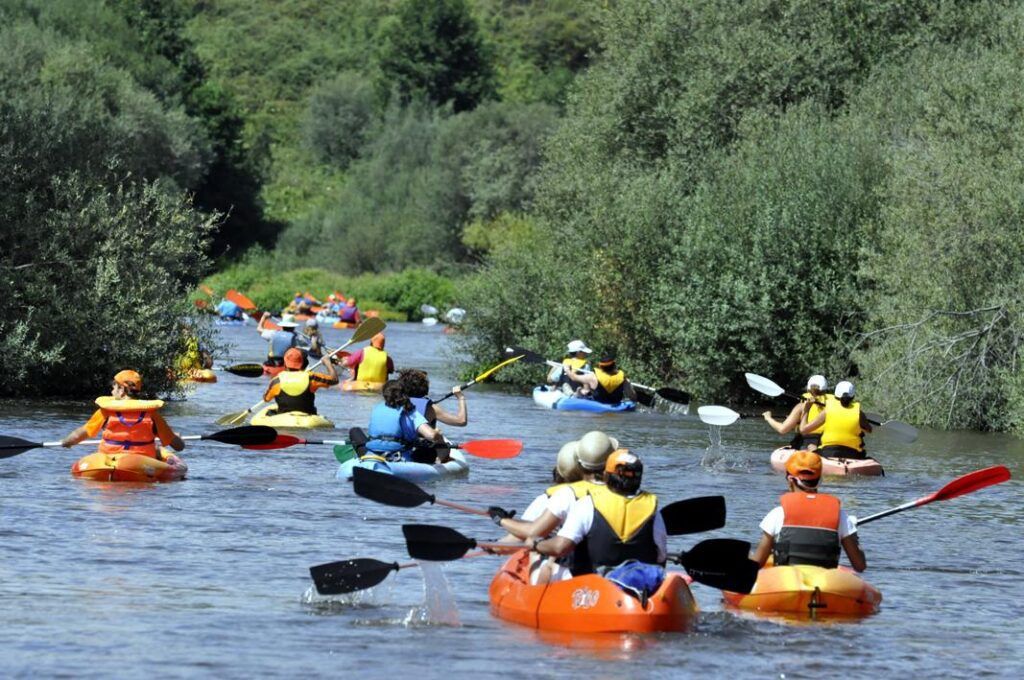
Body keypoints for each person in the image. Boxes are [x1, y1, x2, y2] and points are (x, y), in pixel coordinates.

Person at [491, 431, 619, 584]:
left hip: (572, 570)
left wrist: (502, 522)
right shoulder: (621, 492)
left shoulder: (560, 495)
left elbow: (529, 534)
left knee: (534, 549)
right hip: (606, 567)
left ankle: (536, 593)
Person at [524, 449, 667, 583]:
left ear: (606, 475)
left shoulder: (588, 503)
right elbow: (661, 557)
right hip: (638, 584)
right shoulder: (653, 508)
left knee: (543, 563)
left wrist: (536, 544)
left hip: (592, 585)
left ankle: (533, 600)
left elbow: (560, 548)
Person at [750, 450, 866, 571]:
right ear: (819, 480)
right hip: (825, 584)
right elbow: (860, 565)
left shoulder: (778, 513)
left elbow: (756, 563)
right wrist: (854, 534)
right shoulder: (841, 515)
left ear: (790, 479)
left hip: (787, 581)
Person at [61, 370, 184, 459]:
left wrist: (66, 442)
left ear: (121, 390)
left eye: (114, 388)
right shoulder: (151, 414)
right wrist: (177, 438)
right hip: (142, 461)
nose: (111, 391)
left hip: (109, 458)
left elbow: (80, 435)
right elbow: (178, 446)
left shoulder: (106, 411)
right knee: (156, 449)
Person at [359, 380, 446, 463]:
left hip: (372, 453)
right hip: (398, 456)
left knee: (355, 431)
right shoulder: (410, 411)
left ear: (384, 395)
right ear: (405, 395)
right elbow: (431, 435)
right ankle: (439, 462)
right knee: (430, 446)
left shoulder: (377, 408)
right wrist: (438, 433)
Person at [801, 380, 872, 460]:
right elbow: (869, 430)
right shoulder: (859, 413)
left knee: (811, 446)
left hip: (828, 453)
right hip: (853, 454)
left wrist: (806, 410)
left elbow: (803, 430)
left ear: (835, 395)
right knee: (863, 449)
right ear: (853, 396)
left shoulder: (827, 411)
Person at [260, 348, 338, 416]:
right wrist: (327, 362)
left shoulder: (276, 381)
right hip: (308, 415)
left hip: (284, 416)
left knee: (270, 412)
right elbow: (334, 380)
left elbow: (266, 399)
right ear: (304, 364)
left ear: (285, 364)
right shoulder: (311, 377)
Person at [763, 374, 832, 449]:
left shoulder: (801, 406)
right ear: (825, 390)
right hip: (828, 442)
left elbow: (782, 429)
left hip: (808, 441)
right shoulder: (833, 405)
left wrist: (768, 418)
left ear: (808, 389)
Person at [397, 368, 467, 427]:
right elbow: (461, 421)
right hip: (421, 442)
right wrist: (460, 397)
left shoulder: (393, 403)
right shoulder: (431, 408)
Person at [566, 354, 637, 405]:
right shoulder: (623, 379)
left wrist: (567, 369)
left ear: (600, 367)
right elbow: (632, 396)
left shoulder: (593, 377)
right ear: (614, 365)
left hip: (597, 403)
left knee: (581, 391)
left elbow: (573, 377)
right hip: (615, 403)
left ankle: (576, 393)